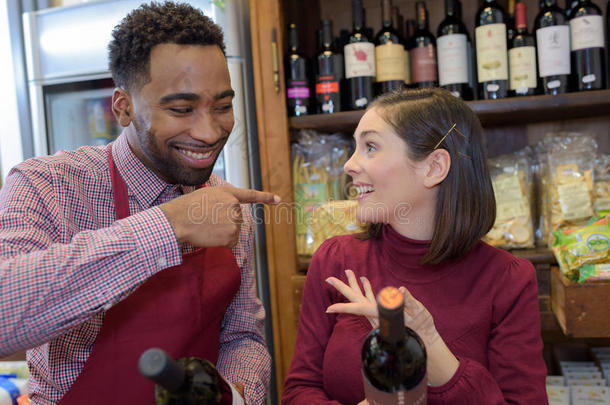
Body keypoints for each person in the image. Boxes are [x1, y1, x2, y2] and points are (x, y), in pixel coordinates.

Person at [0, 2, 278, 404]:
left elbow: (242, 336)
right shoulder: (48, 184)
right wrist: (167, 226)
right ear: (123, 107)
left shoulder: (225, 203)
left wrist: (236, 395)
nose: (209, 131)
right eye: (181, 109)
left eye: (222, 106)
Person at [282, 88, 548, 404]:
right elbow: (299, 391)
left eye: (370, 147)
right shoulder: (335, 260)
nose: (349, 165)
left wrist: (426, 340)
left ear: (434, 167)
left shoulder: (508, 279)